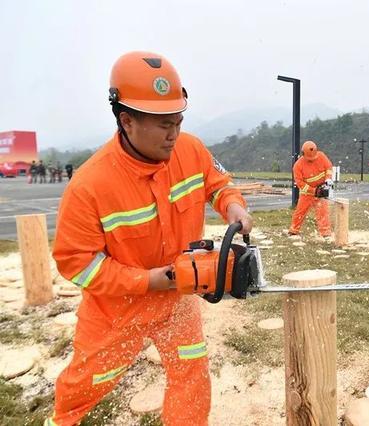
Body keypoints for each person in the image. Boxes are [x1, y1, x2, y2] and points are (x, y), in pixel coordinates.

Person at [45, 51, 252, 426]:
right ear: (126, 120)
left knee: (191, 377)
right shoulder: (90, 185)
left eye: (178, 121)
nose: (174, 134)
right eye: (162, 125)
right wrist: (146, 280)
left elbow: (220, 185)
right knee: (84, 387)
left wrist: (233, 206)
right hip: (117, 308)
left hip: (178, 299)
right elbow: (77, 262)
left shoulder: (190, 150)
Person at [288, 140, 333, 237]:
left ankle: (325, 232)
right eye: (309, 158)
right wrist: (314, 191)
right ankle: (293, 230)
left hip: (321, 188)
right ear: (303, 154)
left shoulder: (321, 156)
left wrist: (328, 179)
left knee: (323, 211)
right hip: (307, 193)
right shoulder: (298, 166)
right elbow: (300, 183)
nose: (311, 160)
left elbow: (329, 167)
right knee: (300, 211)